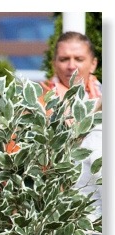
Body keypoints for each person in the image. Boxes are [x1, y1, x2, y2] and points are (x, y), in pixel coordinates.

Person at [41, 31, 102, 225]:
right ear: (54, 63)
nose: (71, 66)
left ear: (93, 63)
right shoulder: (40, 103)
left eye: (79, 58)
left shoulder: (105, 98)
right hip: (60, 218)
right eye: (64, 59)